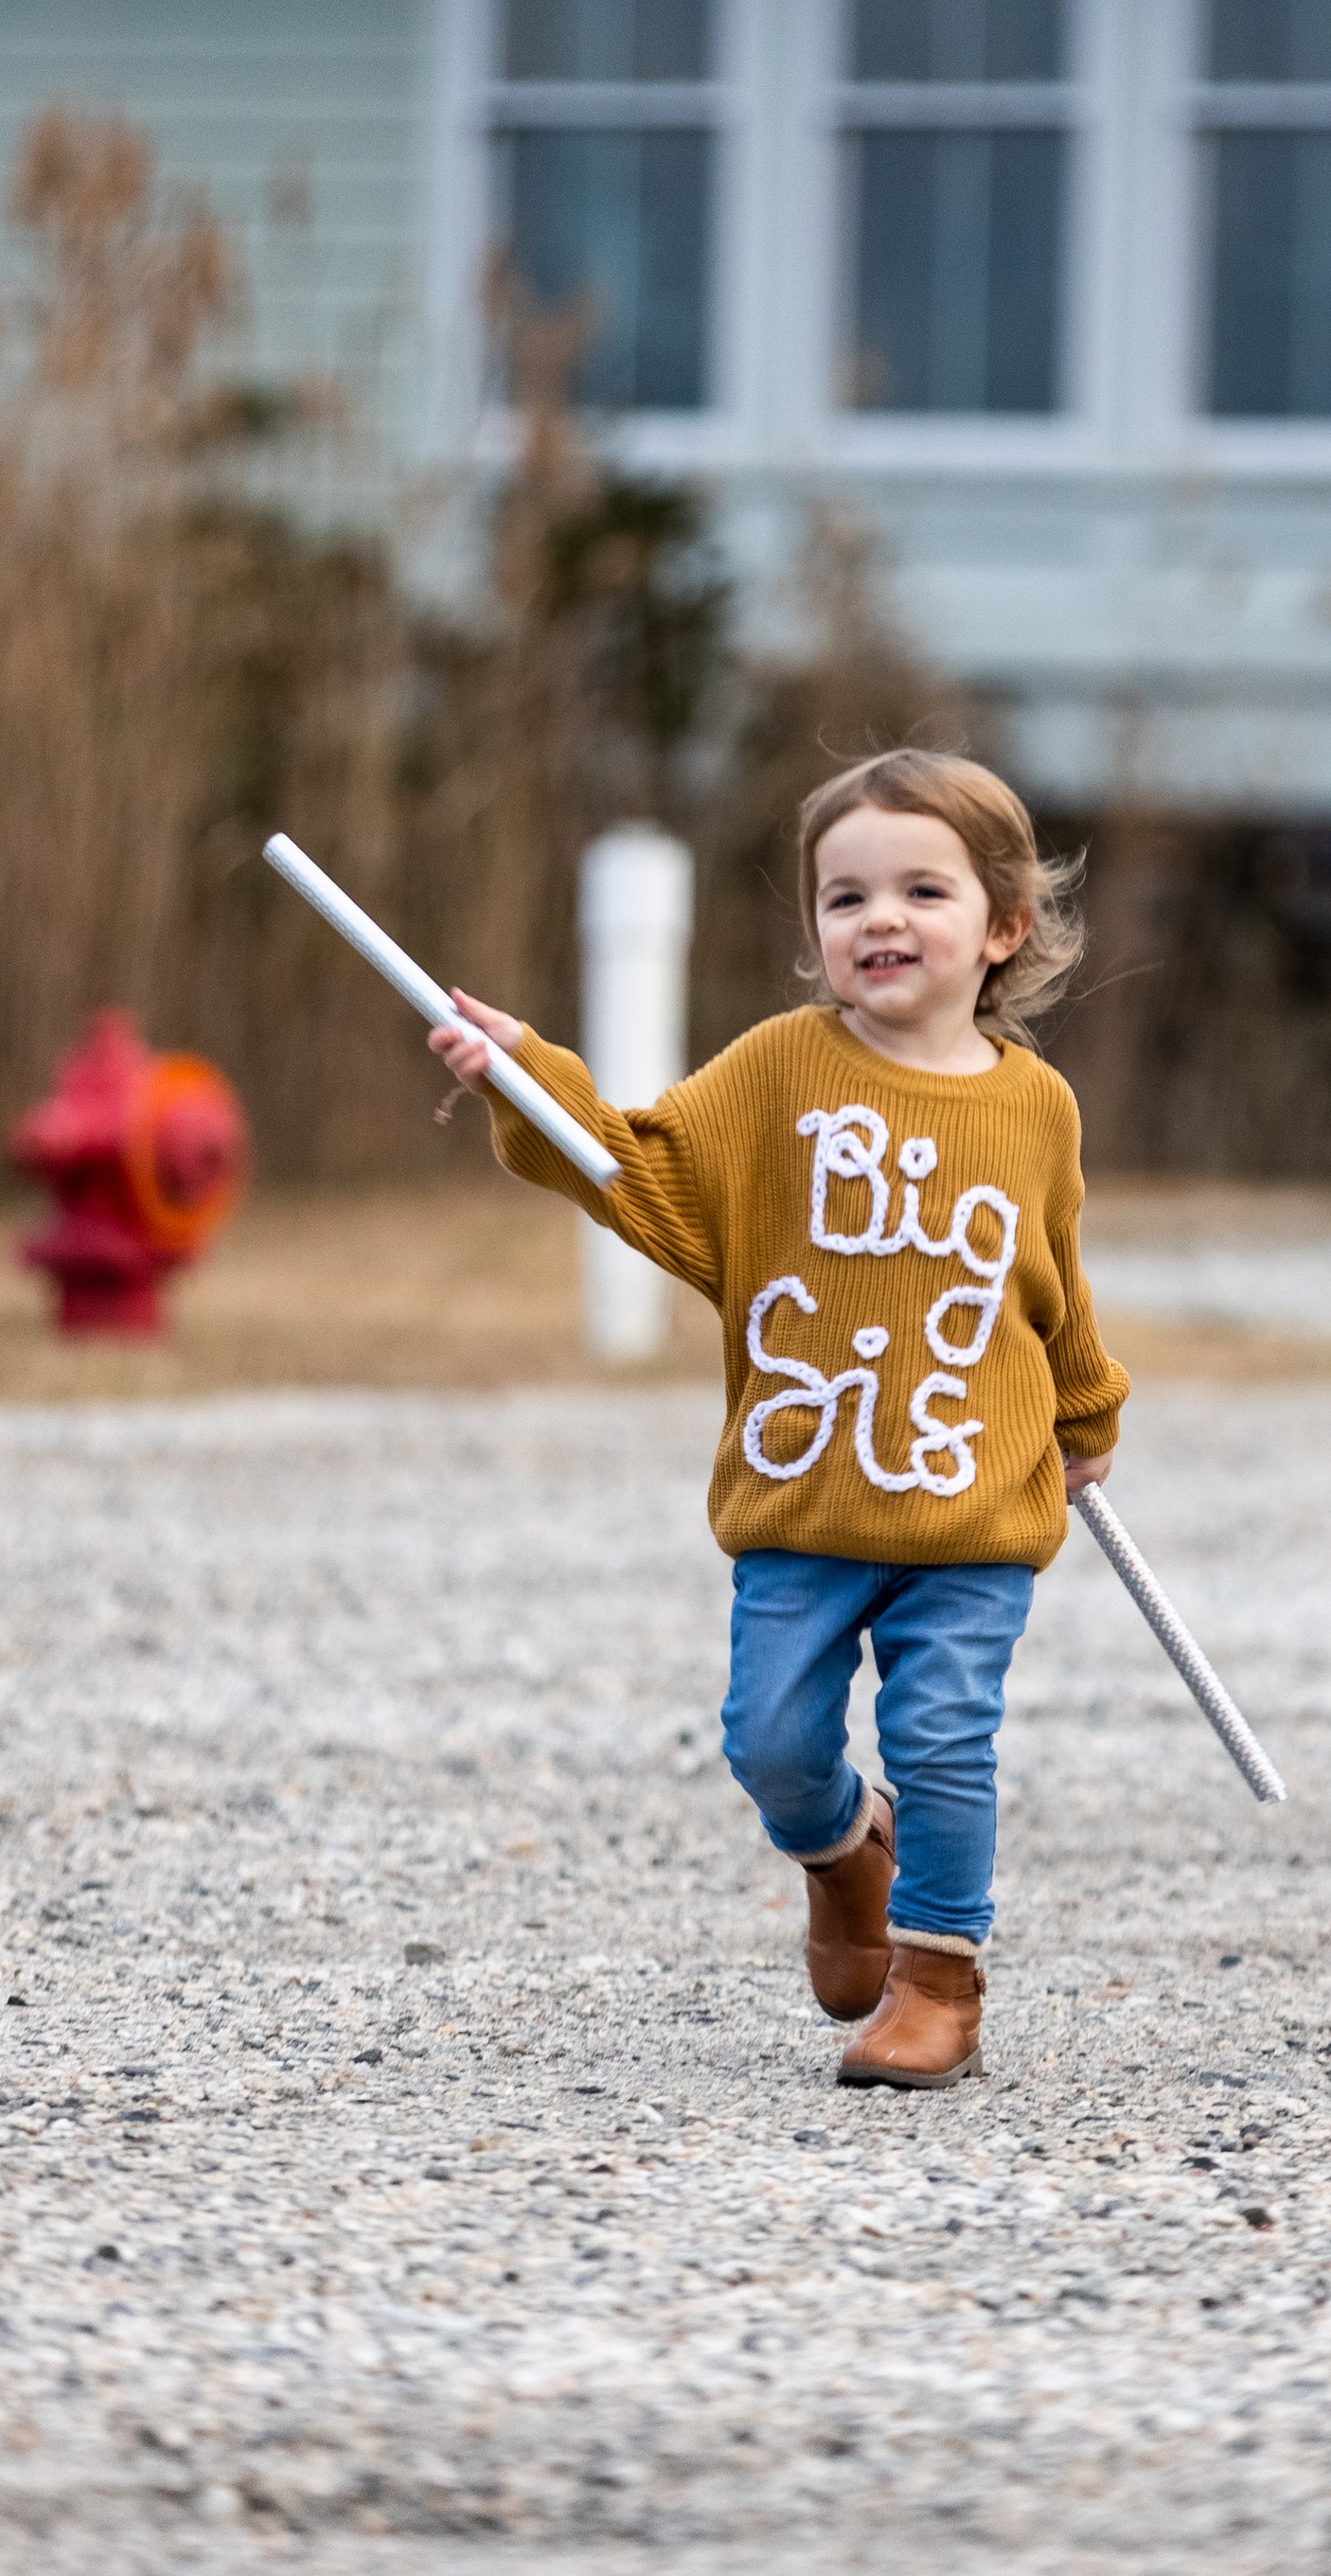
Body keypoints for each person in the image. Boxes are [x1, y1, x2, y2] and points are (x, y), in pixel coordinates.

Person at [429, 747, 1127, 2090]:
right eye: (845, 896)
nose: (880, 919)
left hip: (969, 1504)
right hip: (805, 1492)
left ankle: (939, 1981)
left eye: (922, 890)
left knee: (944, 1737)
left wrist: (1088, 1408)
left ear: (1003, 926)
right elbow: (639, 1163)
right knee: (774, 1743)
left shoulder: (1036, 1105)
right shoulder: (782, 1070)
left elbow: (1051, 1279)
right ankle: (845, 1855)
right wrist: (528, 1077)